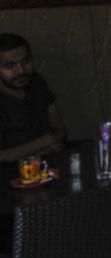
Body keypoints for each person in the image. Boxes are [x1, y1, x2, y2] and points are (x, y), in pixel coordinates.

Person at [0, 33, 66, 162]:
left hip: (48, 163)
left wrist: (52, 144)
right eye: (10, 65)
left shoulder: (36, 81)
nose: (21, 70)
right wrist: (45, 142)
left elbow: (60, 129)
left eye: (26, 61)